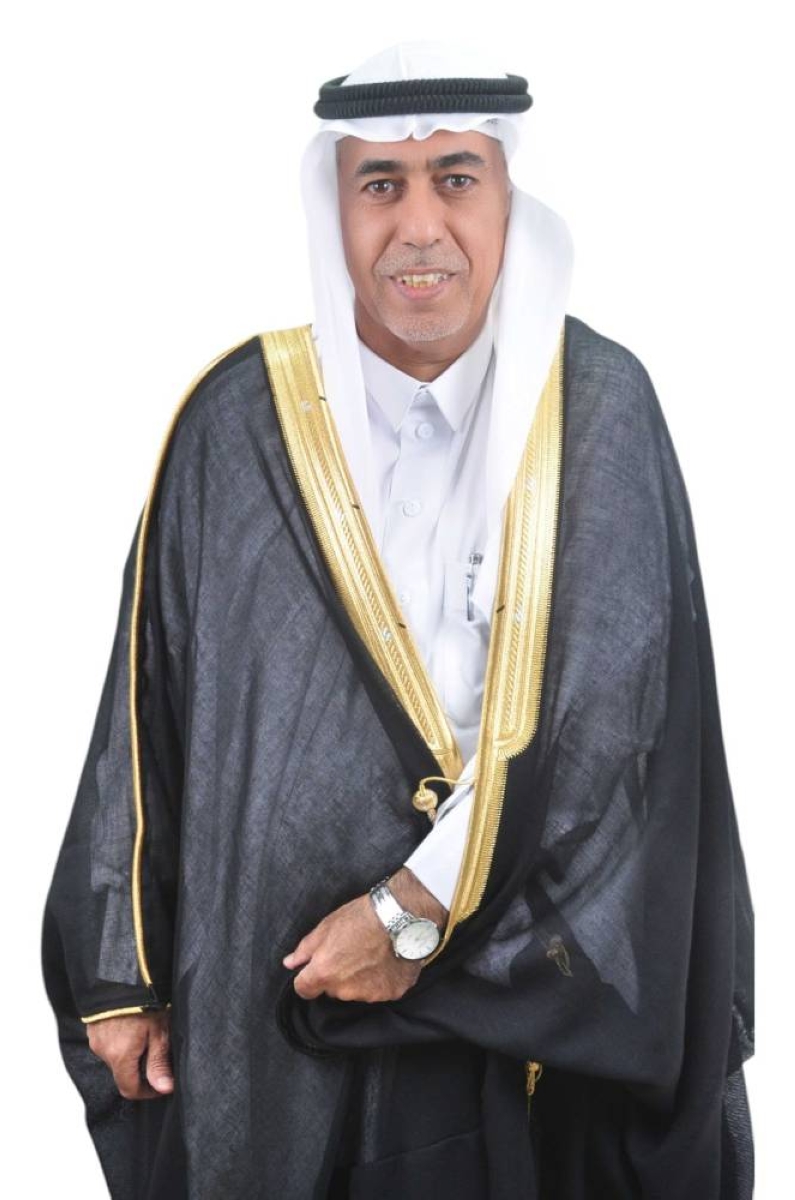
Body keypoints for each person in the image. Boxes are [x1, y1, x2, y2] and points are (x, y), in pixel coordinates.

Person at [42, 41, 754, 1200]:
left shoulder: (598, 408)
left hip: (533, 1007)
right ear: (335, 205)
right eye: (381, 183)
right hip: (285, 1008)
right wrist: (119, 975)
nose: (420, 226)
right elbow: (147, 703)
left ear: (507, 196)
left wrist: (412, 912)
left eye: (456, 178)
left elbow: (621, 725)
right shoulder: (239, 420)